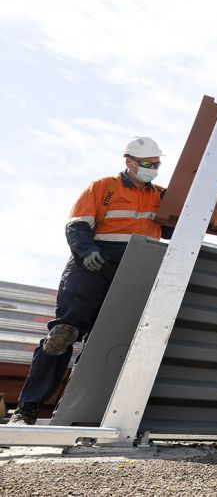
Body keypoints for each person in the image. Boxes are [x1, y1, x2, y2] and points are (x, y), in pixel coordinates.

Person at [7, 137, 169, 426]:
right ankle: (26, 410)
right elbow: (77, 225)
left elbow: (179, 227)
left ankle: (78, 414)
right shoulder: (103, 187)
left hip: (135, 268)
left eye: (156, 164)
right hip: (91, 266)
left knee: (106, 344)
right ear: (129, 161)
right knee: (63, 335)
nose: (153, 169)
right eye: (147, 164)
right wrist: (87, 251)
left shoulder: (162, 195)